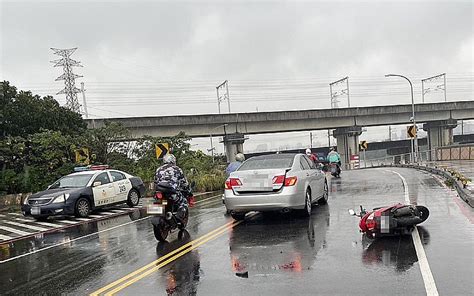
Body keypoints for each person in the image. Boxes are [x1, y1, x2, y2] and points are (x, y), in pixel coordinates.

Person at [155, 153, 190, 221]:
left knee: (156, 202)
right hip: (171, 193)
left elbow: (156, 181)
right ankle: (178, 219)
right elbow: (184, 182)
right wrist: (188, 190)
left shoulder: (158, 169)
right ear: (173, 161)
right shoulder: (177, 169)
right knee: (184, 202)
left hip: (160, 193)